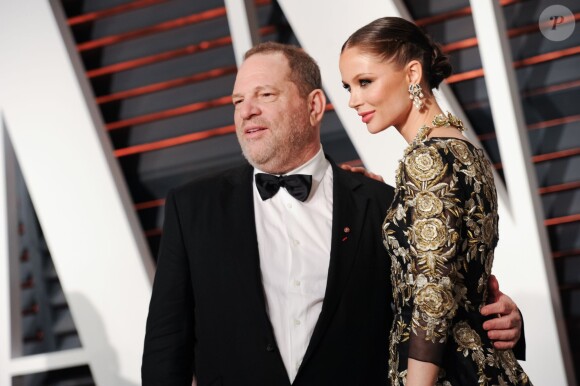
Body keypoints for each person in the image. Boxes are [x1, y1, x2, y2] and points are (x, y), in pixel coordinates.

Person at [142, 41, 525, 386]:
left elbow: (435, 293)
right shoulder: (191, 208)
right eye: (237, 101)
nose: (247, 111)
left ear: (314, 106)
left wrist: (506, 319)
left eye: (265, 94)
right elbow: (165, 347)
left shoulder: (381, 204)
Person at [340, 17, 531, 385]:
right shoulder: (465, 151)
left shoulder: (426, 160)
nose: (353, 100)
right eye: (348, 86)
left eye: (365, 82)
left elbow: (434, 293)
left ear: (413, 73)